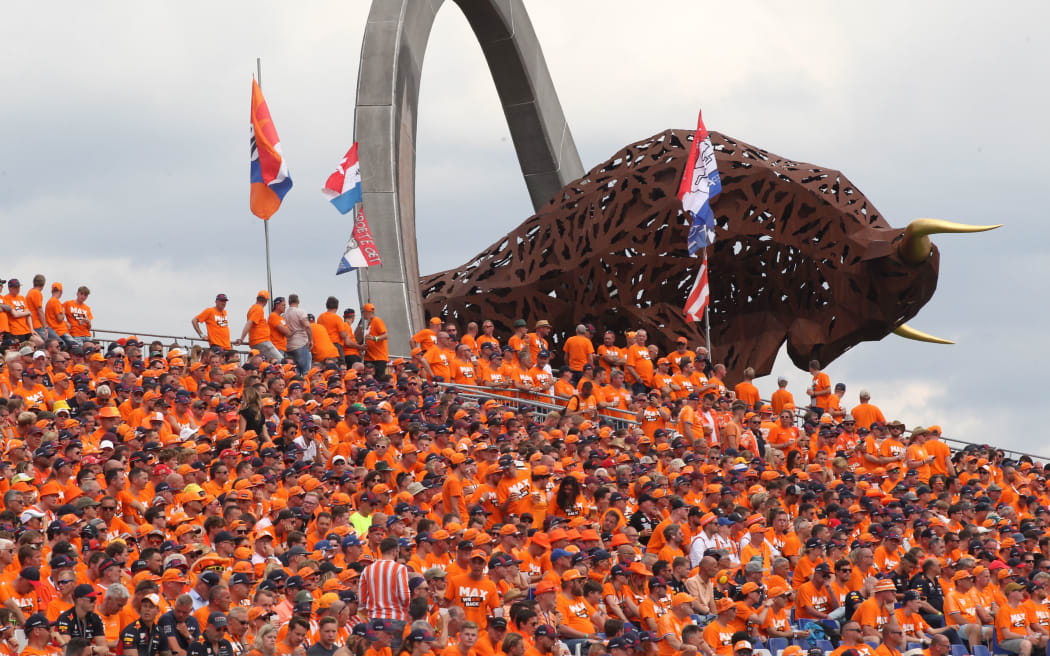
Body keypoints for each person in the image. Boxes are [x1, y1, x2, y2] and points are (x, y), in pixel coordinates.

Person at [359, 538, 410, 652]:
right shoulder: (400, 568)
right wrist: (406, 608)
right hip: (396, 618)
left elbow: (362, 600)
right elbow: (405, 596)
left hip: (375, 619)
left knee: (377, 652)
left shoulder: (367, 569)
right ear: (394, 551)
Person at [55, 585, 106, 650]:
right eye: (92, 600)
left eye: (95, 599)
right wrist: (93, 649)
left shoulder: (95, 618)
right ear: (79, 600)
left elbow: (104, 648)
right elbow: (68, 649)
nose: (95, 603)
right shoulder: (65, 618)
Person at [236, 291, 281, 361]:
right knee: (280, 360)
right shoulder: (258, 308)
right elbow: (249, 323)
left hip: (259, 341)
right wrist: (242, 338)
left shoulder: (254, 308)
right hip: (261, 341)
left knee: (265, 363)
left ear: (257, 298)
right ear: (266, 301)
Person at [284, 294, 313, 375]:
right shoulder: (300, 312)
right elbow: (307, 326)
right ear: (298, 301)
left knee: (294, 372)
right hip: (300, 344)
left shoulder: (284, 315)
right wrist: (311, 340)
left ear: (289, 302)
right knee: (305, 372)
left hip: (289, 346)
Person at [359, 303, 388, 379]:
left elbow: (385, 335)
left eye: (363, 312)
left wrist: (374, 338)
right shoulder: (369, 323)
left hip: (378, 358)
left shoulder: (377, 321)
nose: (363, 314)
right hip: (370, 358)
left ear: (367, 312)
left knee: (379, 379)